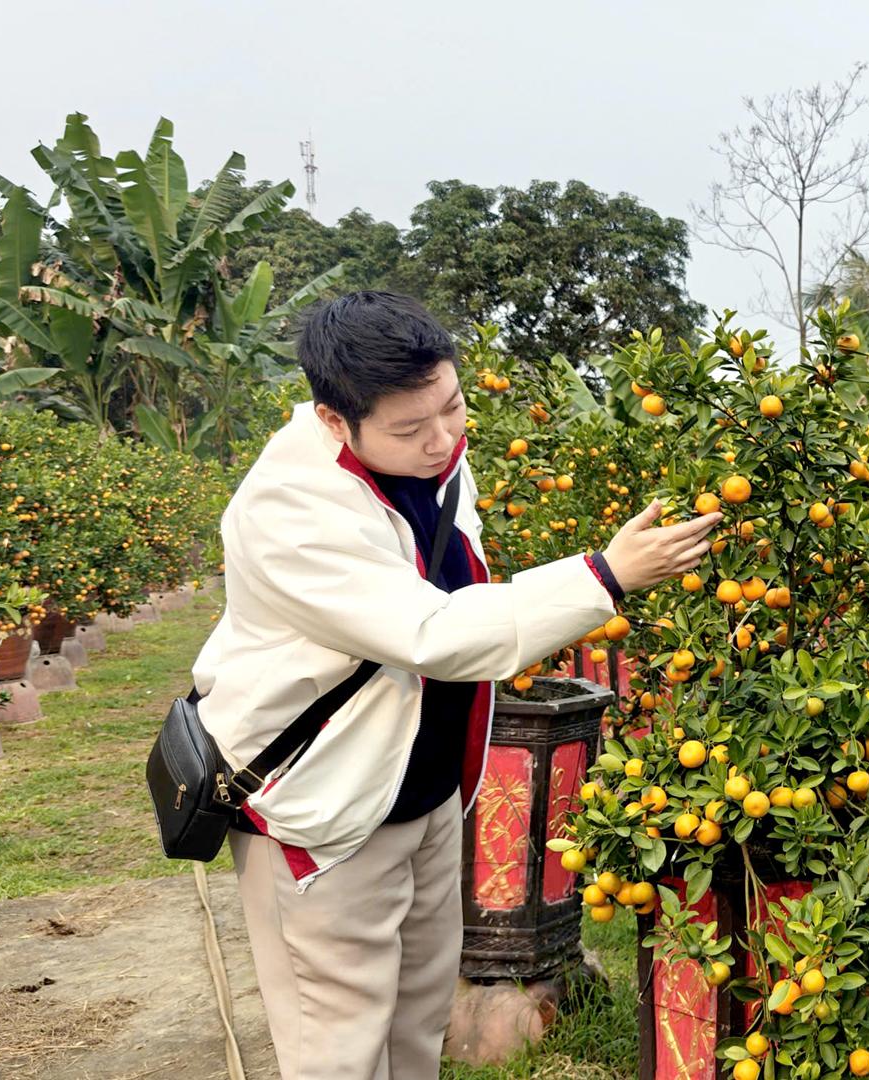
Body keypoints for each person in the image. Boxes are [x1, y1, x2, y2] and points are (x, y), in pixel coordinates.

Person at [190, 291, 717, 1079]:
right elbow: (432, 633)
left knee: (417, 1020)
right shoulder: (289, 512)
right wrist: (603, 577)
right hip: (326, 817)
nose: (442, 440)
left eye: (453, 407)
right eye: (409, 429)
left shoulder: (434, 455)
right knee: (337, 1044)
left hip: (427, 793)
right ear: (337, 420)